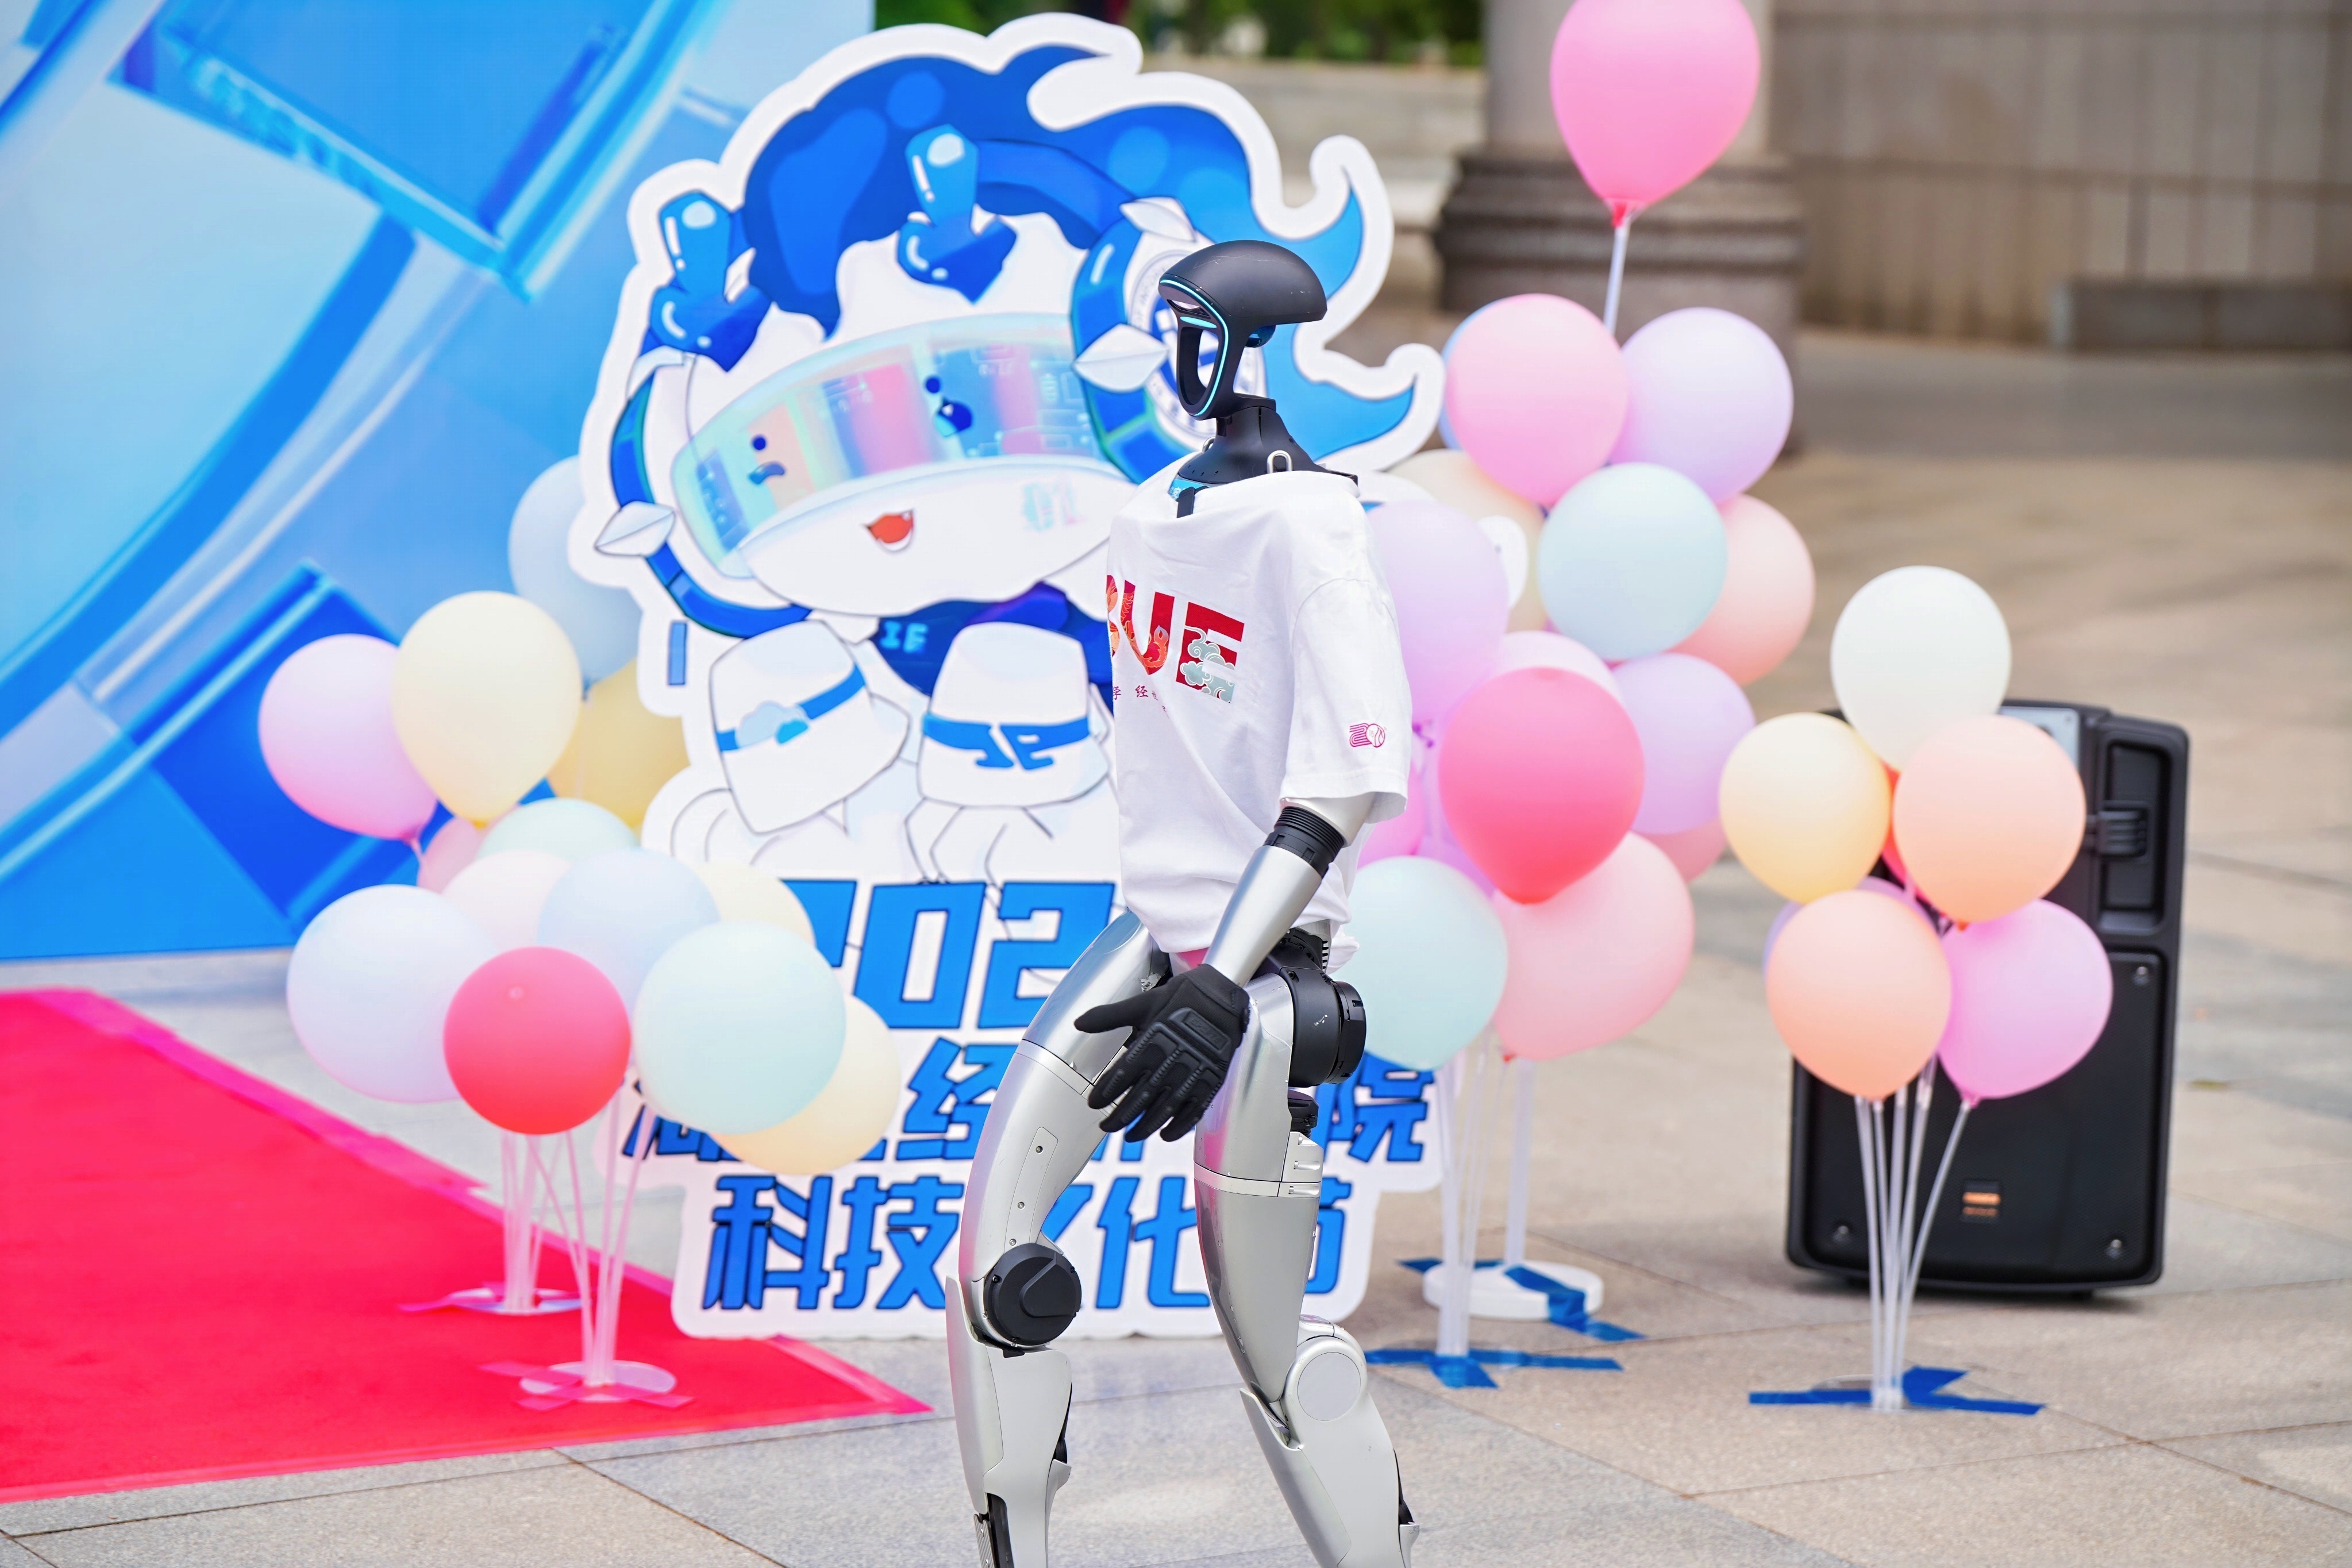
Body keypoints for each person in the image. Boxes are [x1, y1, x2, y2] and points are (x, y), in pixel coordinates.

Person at [946, 240, 1420, 1568]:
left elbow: (1339, 786)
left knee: (1271, 1348)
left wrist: (1224, 985)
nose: (1174, 355)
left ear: (1246, 347)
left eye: (1194, 330)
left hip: (1264, 975)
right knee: (991, 1265)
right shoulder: (1153, 507)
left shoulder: (1313, 530)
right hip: (1155, 932)